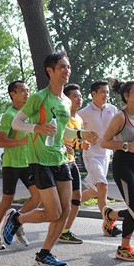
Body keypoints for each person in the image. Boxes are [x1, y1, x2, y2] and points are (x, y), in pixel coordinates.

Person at [5, 51, 99, 266]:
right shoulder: (39, 97)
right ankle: (16, 219)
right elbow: (16, 123)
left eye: (68, 67)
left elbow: (62, 131)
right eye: (62, 67)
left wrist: (80, 135)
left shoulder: (66, 101)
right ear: (50, 71)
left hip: (61, 159)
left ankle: (44, 254)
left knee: (64, 212)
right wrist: (36, 127)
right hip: (40, 160)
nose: (67, 71)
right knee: (53, 212)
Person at [100, 79, 134, 262]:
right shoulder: (120, 118)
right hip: (123, 165)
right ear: (126, 95)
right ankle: (124, 248)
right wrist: (126, 145)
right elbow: (105, 142)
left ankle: (110, 215)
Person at [0, 80, 41, 250]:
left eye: (28, 91)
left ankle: (17, 222)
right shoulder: (9, 115)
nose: (27, 94)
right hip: (11, 164)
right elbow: (1, 141)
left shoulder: (30, 115)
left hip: (29, 163)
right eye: (23, 91)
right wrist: (22, 141)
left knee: (37, 197)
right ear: (13, 94)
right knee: (7, 201)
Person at [78, 80, 121, 237]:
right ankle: (108, 225)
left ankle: (69, 205)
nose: (106, 95)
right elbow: (74, 133)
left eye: (107, 92)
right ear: (93, 94)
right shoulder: (83, 113)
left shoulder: (112, 109)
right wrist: (82, 142)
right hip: (92, 155)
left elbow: (116, 130)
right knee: (102, 186)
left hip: (106, 154)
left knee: (94, 191)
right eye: (102, 92)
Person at [58, 83, 90, 244]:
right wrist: (63, 145)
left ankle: (65, 231)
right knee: (53, 203)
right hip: (58, 162)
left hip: (71, 162)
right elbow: (54, 138)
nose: (79, 99)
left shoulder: (78, 119)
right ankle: (19, 219)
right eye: (75, 96)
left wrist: (81, 145)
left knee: (77, 196)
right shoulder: (61, 116)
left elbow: (75, 141)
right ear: (66, 99)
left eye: (80, 96)